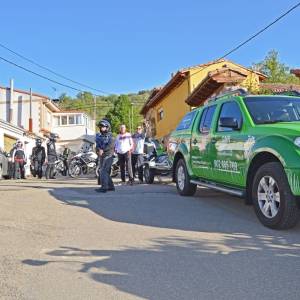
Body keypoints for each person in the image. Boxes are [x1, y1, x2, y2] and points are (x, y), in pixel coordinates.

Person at [95, 119, 115, 193]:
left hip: (109, 155)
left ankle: (104, 187)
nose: (101, 128)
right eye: (101, 127)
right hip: (102, 156)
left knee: (103, 171)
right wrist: (98, 150)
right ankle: (111, 186)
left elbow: (111, 145)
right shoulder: (99, 136)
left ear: (107, 127)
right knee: (104, 171)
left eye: (103, 127)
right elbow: (97, 146)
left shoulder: (111, 136)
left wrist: (103, 150)